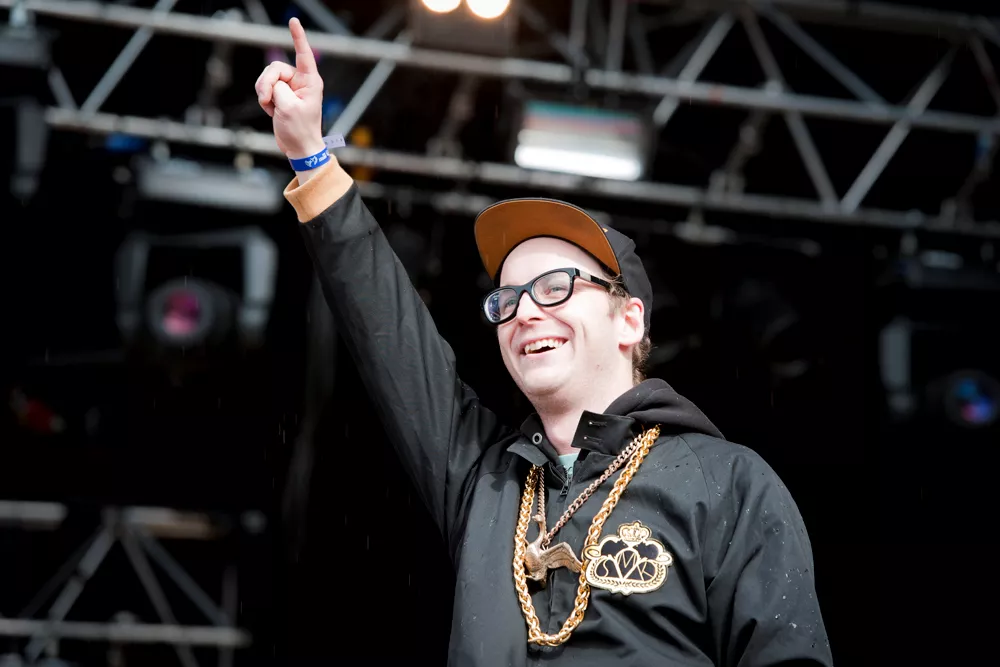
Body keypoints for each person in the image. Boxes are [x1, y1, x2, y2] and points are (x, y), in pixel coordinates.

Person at [256, 18, 834, 667]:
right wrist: (311, 157)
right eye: (507, 299)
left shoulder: (727, 482)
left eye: (556, 286)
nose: (525, 310)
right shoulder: (486, 480)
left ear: (630, 321)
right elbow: (390, 332)